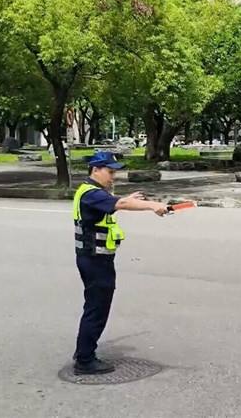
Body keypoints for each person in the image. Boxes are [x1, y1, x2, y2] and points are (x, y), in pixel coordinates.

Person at [72, 151, 169, 375]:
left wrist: (131, 199)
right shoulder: (91, 193)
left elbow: (116, 203)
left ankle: (83, 351)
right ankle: (85, 360)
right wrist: (153, 205)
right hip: (95, 260)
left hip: (94, 258)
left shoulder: (93, 192)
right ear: (95, 170)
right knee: (96, 309)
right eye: (110, 171)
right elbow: (121, 203)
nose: (113, 176)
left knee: (94, 307)